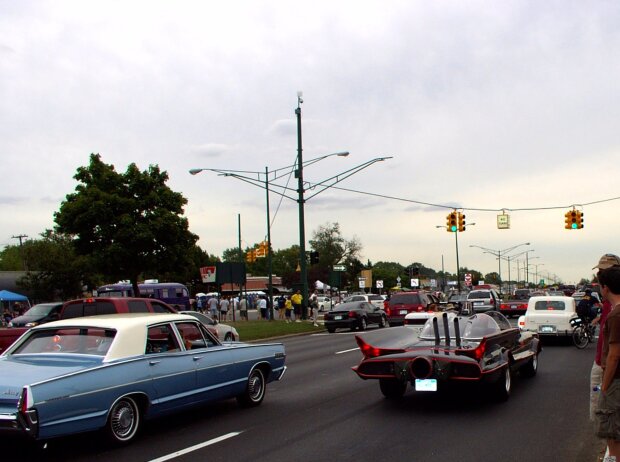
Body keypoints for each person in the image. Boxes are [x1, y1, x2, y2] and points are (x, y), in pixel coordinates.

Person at [595, 264, 620, 461]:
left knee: (613, 428)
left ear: (606, 288)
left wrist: (604, 386)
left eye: (600, 286)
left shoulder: (616, 315)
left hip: (616, 381)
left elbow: (614, 355)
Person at [592, 254, 620, 421]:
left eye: (603, 271)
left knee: (605, 419)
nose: (600, 275)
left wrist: (604, 386)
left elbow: (615, 353)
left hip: (611, 371)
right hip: (602, 363)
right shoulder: (608, 302)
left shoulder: (616, 309)